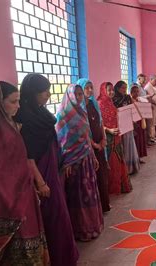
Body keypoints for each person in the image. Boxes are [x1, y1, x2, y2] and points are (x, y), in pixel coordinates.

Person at [0, 81, 49, 264]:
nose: (18, 106)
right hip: (11, 203)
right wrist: (17, 197)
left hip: (25, 195)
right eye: (13, 102)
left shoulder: (9, 126)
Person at [15, 74, 79, 265]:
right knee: (53, 216)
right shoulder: (26, 119)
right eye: (43, 91)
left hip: (53, 169)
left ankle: (65, 256)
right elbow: (28, 155)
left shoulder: (40, 114)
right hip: (42, 174)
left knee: (60, 214)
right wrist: (40, 182)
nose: (48, 95)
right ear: (32, 93)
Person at [56, 84, 104, 241]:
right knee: (77, 196)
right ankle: (80, 230)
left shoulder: (82, 112)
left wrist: (94, 156)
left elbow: (85, 138)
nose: (78, 97)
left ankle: (92, 226)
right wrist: (67, 162)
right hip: (73, 164)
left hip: (86, 160)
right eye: (76, 94)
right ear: (69, 95)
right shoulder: (63, 115)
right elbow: (61, 141)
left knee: (89, 193)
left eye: (80, 94)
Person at [77, 78, 111, 213]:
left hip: (100, 144)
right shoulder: (79, 108)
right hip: (89, 147)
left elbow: (100, 122)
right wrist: (94, 145)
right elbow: (83, 131)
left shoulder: (93, 104)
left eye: (91, 87)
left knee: (102, 175)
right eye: (86, 88)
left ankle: (104, 204)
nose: (90, 90)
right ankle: (95, 207)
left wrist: (103, 139)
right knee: (92, 177)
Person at [98, 82, 132, 195]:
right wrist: (109, 130)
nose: (112, 92)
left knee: (118, 161)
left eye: (112, 90)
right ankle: (111, 188)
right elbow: (97, 124)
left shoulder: (110, 102)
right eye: (109, 90)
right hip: (107, 137)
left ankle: (120, 186)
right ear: (104, 91)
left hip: (116, 135)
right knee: (111, 162)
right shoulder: (99, 104)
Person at [113, 81, 141, 175]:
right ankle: (124, 168)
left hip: (128, 123)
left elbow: (132, 108)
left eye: (125, 88)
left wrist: (135, 119)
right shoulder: (114, 99)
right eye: (122, 88)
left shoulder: (127, 97)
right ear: (117, 88)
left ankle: (131, 166)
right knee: (123, 145)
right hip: (120, 125)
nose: (124, 90)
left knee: (129, 143)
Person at [130, 84, 148, 162]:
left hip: (141, 121)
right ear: (131, 92)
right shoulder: (130, 100)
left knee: (141, 139)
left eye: (137, 92)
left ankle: (139, 157)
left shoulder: (139, 100)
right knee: (136, 139)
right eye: (134, 92)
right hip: (134, 122)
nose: (136, 93)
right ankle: (135, 157)